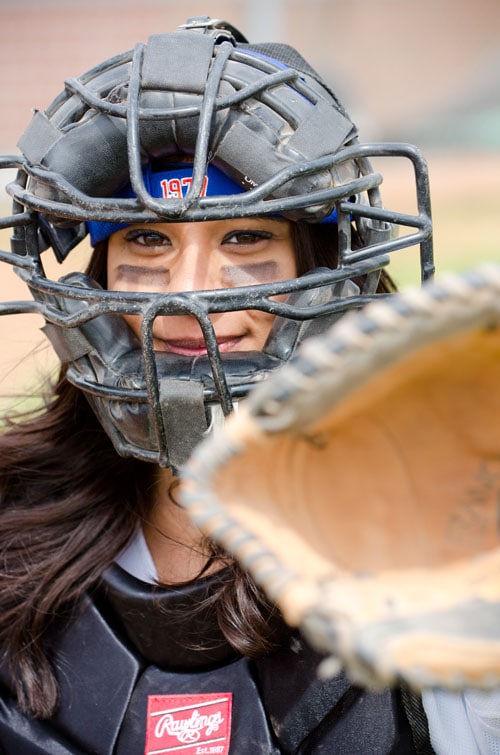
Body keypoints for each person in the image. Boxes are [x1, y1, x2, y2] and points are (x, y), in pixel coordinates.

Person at [0, 16, 435, 754]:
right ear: (96, 284)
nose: (188, 294)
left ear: (322, 270)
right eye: (147, 240)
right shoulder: (14, 513)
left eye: (244, 237)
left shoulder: (435, 540)